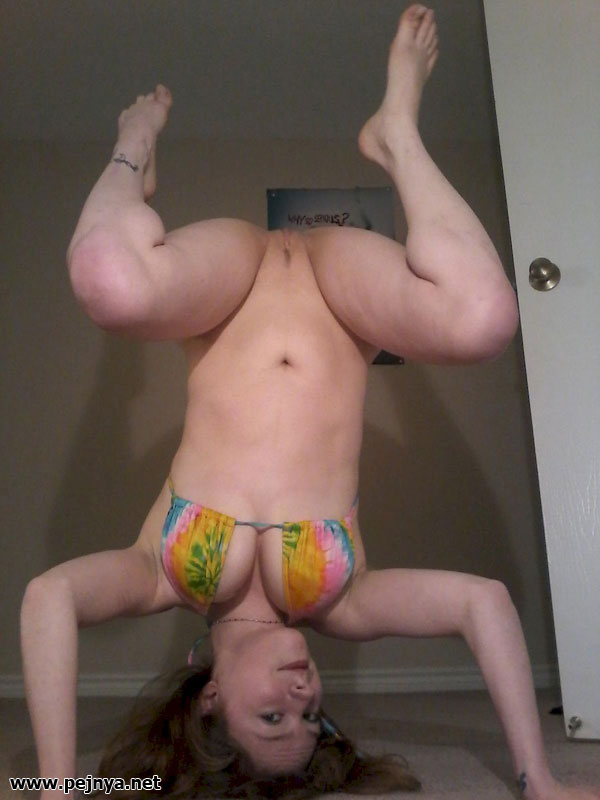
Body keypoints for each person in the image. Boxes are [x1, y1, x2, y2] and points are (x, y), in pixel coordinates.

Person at [19, 5, 599, 799]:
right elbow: (484, 602)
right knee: (486, 317)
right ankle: (397, 136)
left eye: (273, 719)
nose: (303, 697)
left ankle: (133, 148)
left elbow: (48, 597)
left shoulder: (158, 575)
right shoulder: (344, 601)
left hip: (233, 285)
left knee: (109, 283)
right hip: (336, 291)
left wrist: (57, 791)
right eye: (312, 718)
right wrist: (538, 780)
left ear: (211, 701)